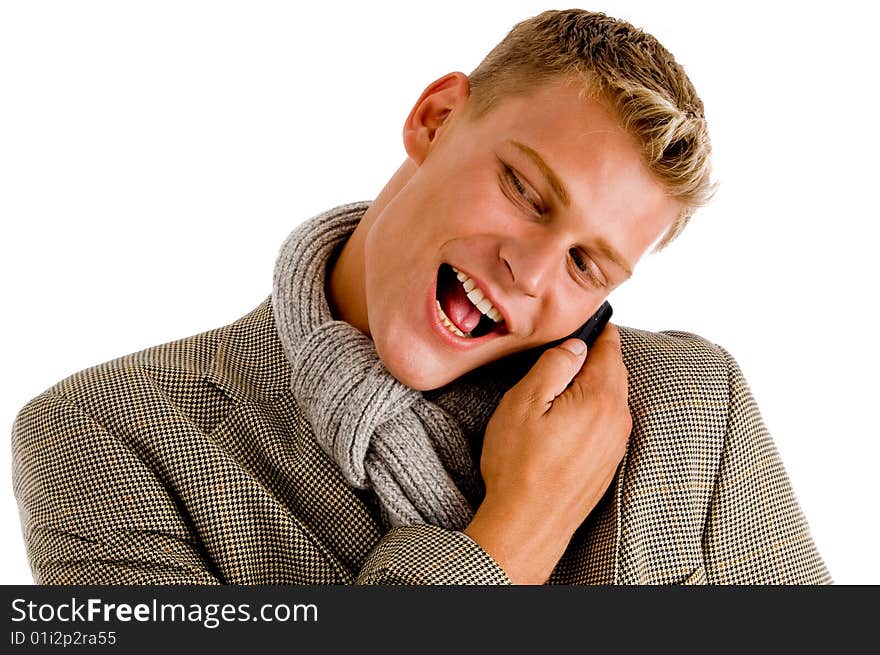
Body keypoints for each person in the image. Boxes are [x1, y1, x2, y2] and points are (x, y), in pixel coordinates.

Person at [11, 9, 830, 585]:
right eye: (526, 191)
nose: (532, 271)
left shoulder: (688, 410)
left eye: (588, 264)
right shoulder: (102, 431)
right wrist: (512, 538)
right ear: (435, 119)